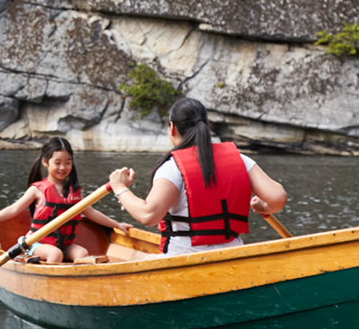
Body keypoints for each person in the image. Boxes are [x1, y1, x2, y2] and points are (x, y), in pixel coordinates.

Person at [108, 96, 286, 255]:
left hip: (184, 259)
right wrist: (264, 206)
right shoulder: (240, 159)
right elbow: (278, 198)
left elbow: (149, 215)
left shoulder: (172, 168)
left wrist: (120, 187)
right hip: (233, 255)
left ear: (172, 128)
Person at [0, 136, 133, 264]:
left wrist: (117, 224)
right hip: (36, 244)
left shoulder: (74, 192)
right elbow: (14, 209)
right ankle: (45, 281)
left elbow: (91, 213)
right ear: (45, 162)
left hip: (64, 244)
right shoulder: (37, 190)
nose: (62, 167)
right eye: (57, 163)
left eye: (67, 163)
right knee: (55, 254)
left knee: (82, 253)